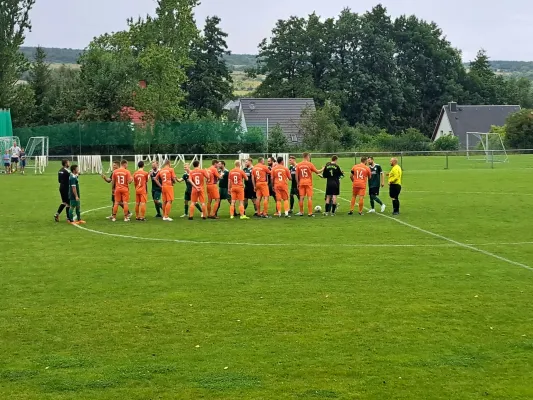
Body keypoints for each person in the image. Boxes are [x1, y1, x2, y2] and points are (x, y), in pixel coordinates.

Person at [296, 152, 322, 217]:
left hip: (301, 182)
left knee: (301, 198)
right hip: (308, 182)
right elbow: (317, 172)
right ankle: (310, 213)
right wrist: (323, 168)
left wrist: (297, 183)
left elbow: (296, 175)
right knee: (309, 197)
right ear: (307, 156)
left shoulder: (298, 165)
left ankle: (301, 212)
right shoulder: (310, 164)